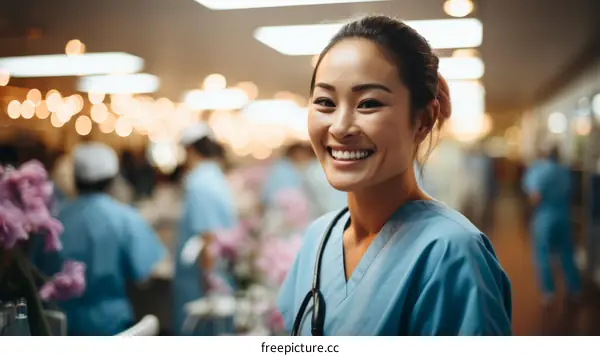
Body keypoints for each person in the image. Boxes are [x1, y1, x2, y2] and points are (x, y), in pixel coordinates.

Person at [277, 15, 512, 336]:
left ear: (423, 120)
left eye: (369, 103)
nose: (341, 127)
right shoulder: (318, 239)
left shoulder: (451, 252)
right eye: (325, 102)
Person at [33, 142, 167, 336]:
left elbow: (34, 271)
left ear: (75, 179)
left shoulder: (50, 220)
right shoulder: (124, 218)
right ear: (112, 180)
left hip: (55, 325)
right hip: (110, 327)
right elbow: (144, 275)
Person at [173, 121, 238, 336]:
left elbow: (208, 237)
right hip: (212, 273)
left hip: (200, 281)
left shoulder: (200, 182)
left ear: (189, 150)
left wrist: (211, 289)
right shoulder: (214, 177)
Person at [522, 144, 581, 306]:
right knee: (567, 253)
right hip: (564, 215)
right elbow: (572, 193)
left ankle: (549, 293)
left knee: (542, 254)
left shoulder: (539, 171)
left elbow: (535, 197)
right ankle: (574, 289)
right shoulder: (565, 171)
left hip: (545, 217)